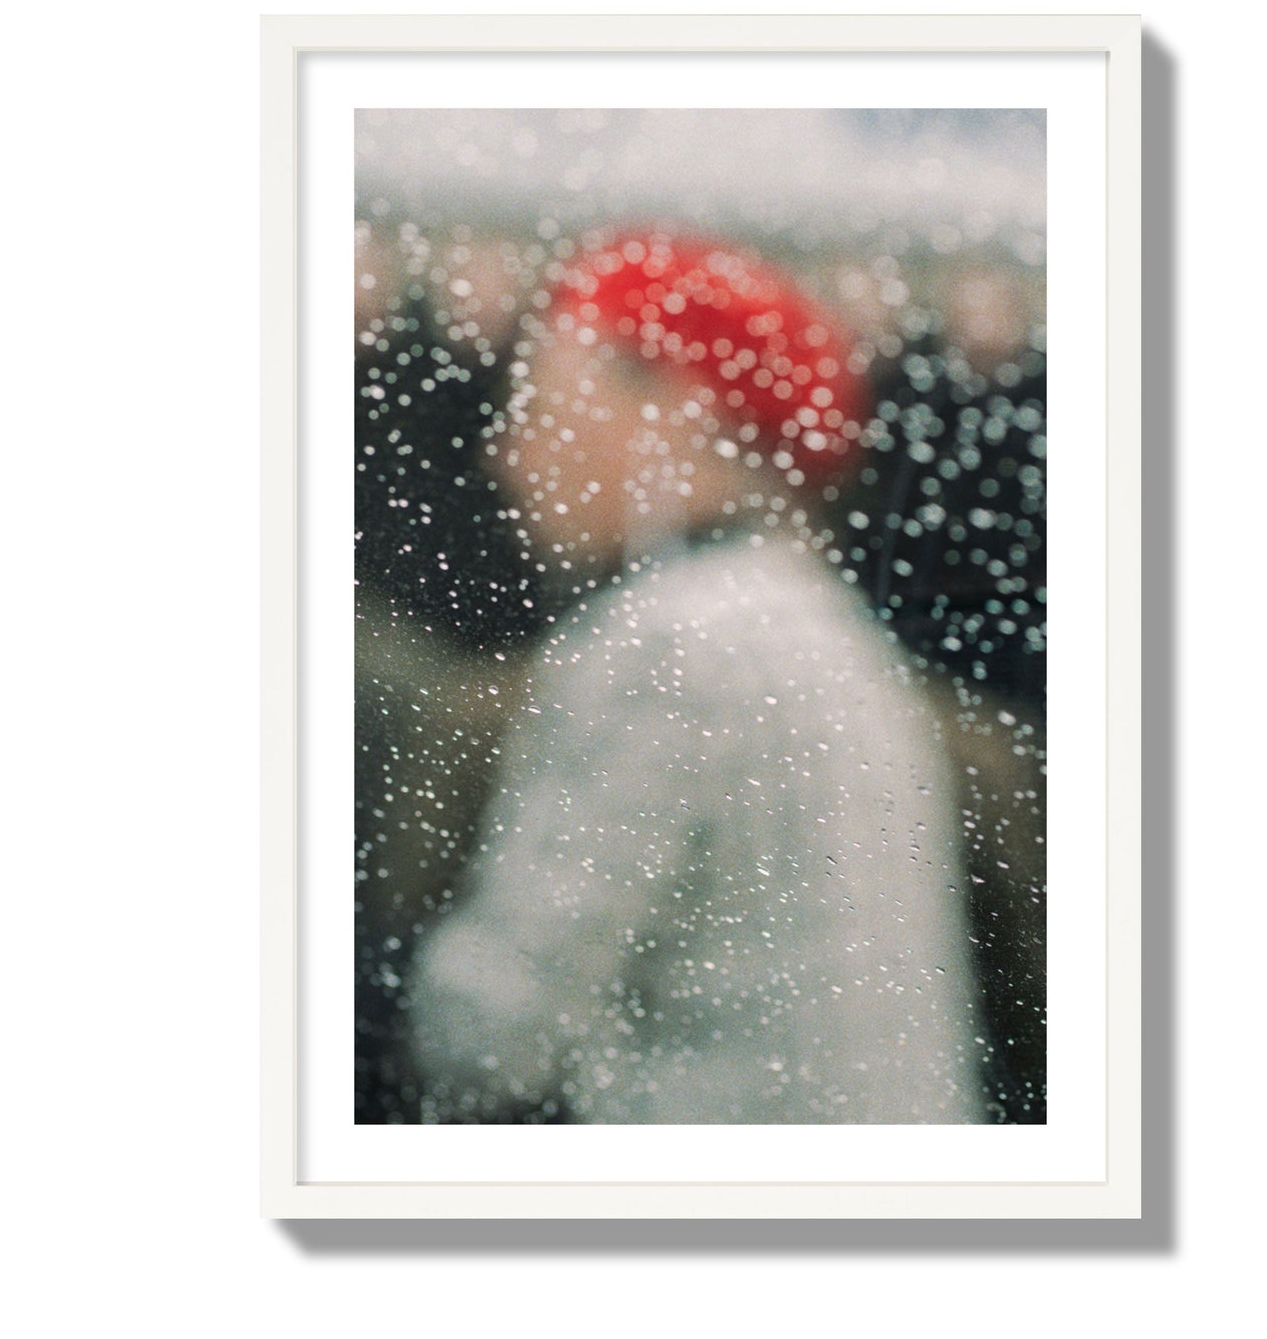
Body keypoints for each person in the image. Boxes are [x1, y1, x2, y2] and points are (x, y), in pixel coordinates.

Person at [406, 234, 988, 1123]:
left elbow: (494, 1035)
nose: (505, 451)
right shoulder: (816, 625)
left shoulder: (671, 644)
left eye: (538, 406)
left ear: (673, 411)